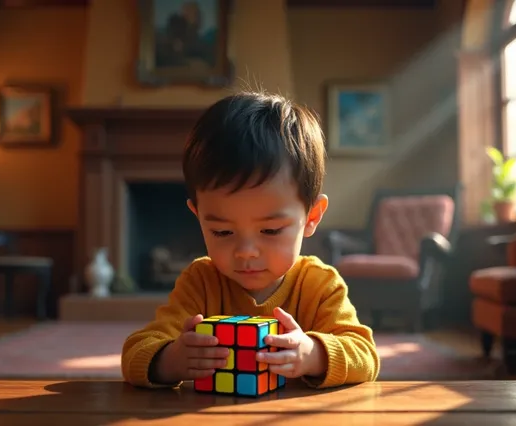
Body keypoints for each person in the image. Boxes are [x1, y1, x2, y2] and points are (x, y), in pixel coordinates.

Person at [121, 90, 380, 389]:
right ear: (198, 216)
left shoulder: (319, 285)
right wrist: (171, 359)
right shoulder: (200, 282)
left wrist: (313, 354)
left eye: (270, 231)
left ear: (311, 218)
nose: (245, 253)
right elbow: (136, 351)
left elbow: (366, 355)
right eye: (222, 232)